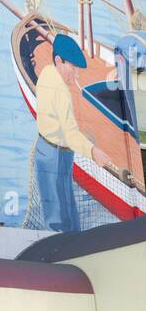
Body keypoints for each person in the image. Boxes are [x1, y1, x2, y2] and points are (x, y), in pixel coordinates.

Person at [34, 33, 112, 233]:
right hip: (57, 154)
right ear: (59, 60)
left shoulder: (46, 73)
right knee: (60, 215)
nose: (76, 75)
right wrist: (94, 152)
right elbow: (71, 135)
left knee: (58, 205)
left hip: (45, 148)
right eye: (73, 68)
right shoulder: (62, 92)